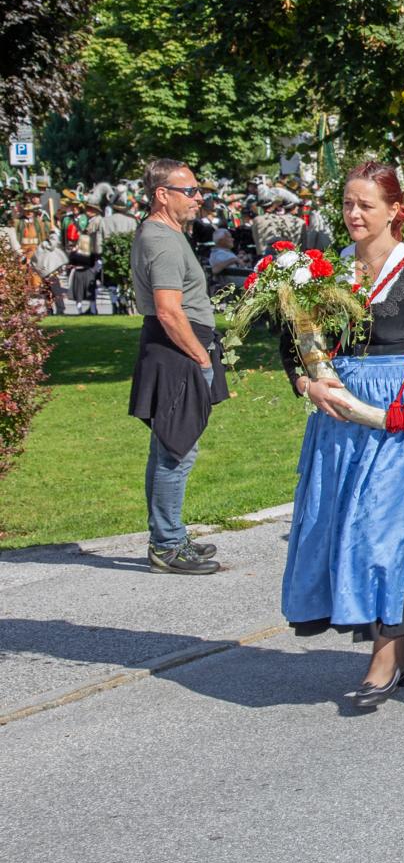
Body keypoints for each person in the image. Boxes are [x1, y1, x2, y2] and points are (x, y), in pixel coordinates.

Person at [280, 162, 404, 707]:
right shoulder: (320, 273)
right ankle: (400, 652)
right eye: (347, 203)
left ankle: (383, 657)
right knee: (341, 526)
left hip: (399, 412)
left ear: (395, 210)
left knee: (380, 533)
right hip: (340, 413)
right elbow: (292, 339)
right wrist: (305, 381)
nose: (353, 214)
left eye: (366, 204)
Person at [128, 159, 230, 575]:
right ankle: (167, 546)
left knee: (169, 447)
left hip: (174, 349)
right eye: (189, 191)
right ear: (162, 194)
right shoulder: (163, 240)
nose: (198, 197)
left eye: (197, 190)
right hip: (178, 352)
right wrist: (201, 356)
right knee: (178, 449)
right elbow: (170, 312)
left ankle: (169, 535)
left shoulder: (165, 234)